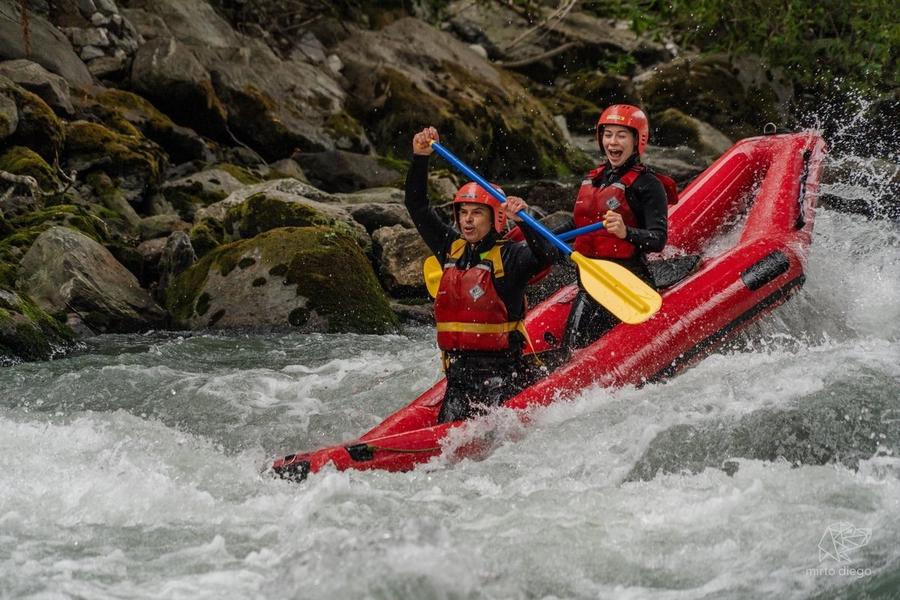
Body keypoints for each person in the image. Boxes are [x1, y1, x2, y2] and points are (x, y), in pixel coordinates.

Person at [406, 126, 558, 423]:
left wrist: (525, 222)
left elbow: (547, 255)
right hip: (459, 376)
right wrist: (420, 158)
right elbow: (417, 207)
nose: (468, 220)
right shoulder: (451, 248)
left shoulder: (511, 257)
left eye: (476, 213)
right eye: (463, 212)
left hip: (503, 377)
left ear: (495, 218)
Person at [564, 104, 670, 348]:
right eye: (608, 134)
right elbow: (577, 224)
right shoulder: (595, 178)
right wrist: (532, 228)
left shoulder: (648, 184)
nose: (613, 142)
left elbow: (658, 239)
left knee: (577, 347)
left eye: (621, 135)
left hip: (628, 285)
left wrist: (626, 232)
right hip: (593, 283)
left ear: (637, 140)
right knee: (572, 348)